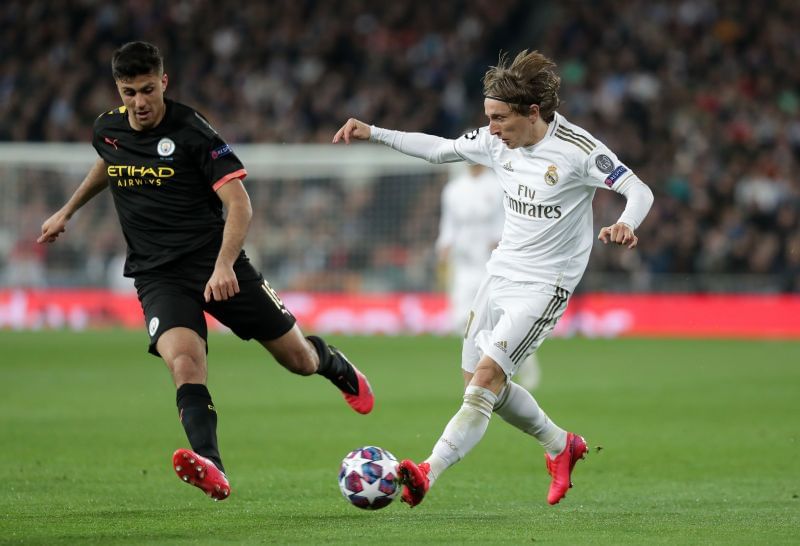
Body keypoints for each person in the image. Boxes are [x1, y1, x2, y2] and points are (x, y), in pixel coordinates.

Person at [38, 41, 374, 501]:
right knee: (185, 362)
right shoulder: (108, 128)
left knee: (298, 361)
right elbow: (109, 163)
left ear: (164, 82)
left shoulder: (193, 131)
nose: (139, 102)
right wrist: (67, 211)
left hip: (218, 266)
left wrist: (222, 265)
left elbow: (240, 203)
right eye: (129, 91)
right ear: (118, 88)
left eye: (148, 90)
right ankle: (212, 466)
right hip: (158, 276)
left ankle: (333, 363)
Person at [333, 49, 653, 507]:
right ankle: (562, 445)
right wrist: (375, 132)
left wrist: (627, 223)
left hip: (545, 285)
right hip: (498, 274)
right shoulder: (494, 142)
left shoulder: (578, 150)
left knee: (485, 380)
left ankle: (427, 470)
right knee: (477, 385)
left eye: (500, 118)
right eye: (489, 117)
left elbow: (637, 189)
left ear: (533, 112)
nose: (492, 128)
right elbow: (440, 149)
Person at [436, 163, 540, 390]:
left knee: (501, 320)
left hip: (493, 263)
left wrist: (501, 239)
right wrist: (444, 245)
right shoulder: (453, 189)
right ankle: (483, 374)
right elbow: (449, 223)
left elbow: (508, 218)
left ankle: (524, 362)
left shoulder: (498, 184)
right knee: (462, 321)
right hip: (463, 263)